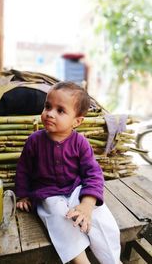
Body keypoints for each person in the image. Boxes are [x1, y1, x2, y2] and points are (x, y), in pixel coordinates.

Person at [15, 81, 121, 264]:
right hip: (47, 193)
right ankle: (80, 260)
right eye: (47, 106)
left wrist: (87, 204)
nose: (50, 113)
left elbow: (93, 174)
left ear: (77, 121)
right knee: (58, 216)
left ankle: (113, 260)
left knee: (102, 218)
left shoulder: (80, 143)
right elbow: (23, 170)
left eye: (60, 110)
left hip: (75, 189)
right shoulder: (34, 141)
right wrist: (23, 195)